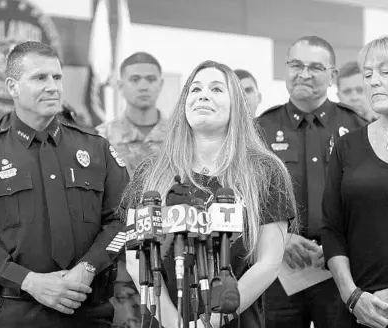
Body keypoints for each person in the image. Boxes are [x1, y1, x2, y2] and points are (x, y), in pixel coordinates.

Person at [122, 60, 298, 328]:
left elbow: (268, 263)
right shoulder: (150, 171)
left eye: (217, 89)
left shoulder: (265, 171)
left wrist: (209, 324)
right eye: (195, 90)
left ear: (236, 105)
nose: (203, 95)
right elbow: (137, 262)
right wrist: (174, 324)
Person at [0, 41, 129, 328]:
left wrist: (89, 267)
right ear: (12, 87)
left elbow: (125, 218)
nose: (53, 86)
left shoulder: (96, 147)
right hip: (18, 312)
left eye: (57, 77)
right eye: (40, 78)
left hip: (89, 310)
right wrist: (28, 281)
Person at [256, 35, 367, 328]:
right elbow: (245, 196)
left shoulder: (357, 128)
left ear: (332, 76)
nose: (303, 74)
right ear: (285, 69)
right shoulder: (261, 129)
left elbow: (367, 201)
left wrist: (336, 246)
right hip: (277, 269)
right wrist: (281, 238)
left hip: (340, 268)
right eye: (296, 65)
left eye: (315, 67)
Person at [322, 35, 388, 328]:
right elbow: (332, 229)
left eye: (386, 72)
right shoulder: (347, 147)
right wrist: (352, 296)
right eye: (369, 74)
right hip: (355, 310)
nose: (373, 81)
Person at [96, 52, 168, 328]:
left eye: (151, 79)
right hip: (118, 257)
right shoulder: (100, 137)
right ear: (120, 84)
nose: (143, 85)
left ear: (161, 83)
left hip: (170, 252)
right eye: (135, 79)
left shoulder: (180, 135)